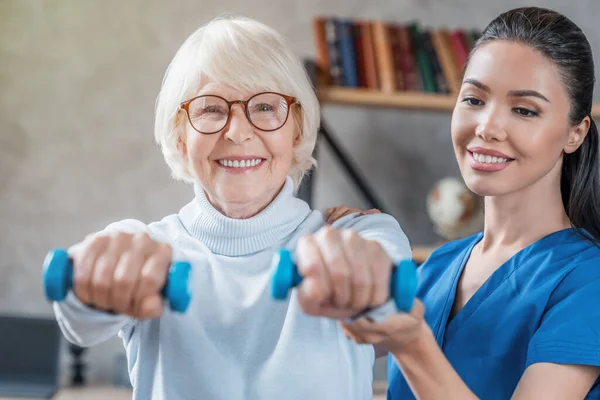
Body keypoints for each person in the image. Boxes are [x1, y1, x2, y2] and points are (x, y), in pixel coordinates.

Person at [51, 16, 412, 400]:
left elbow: (390, 313)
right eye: (210, 109)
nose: (238, 131)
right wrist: (88, 280)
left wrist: (365, 279)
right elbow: (80, 321)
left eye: (265, 107)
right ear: (180, 135)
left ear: (296, 128)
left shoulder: (362, 235)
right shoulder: (143, 247)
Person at [326, 6, 600, 399]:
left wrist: (411, 346)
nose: (487, 127)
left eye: (524, 109)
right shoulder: (438, 267)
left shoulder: (588, 282)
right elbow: (319, 352)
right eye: (474, 99)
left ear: (575, 133)